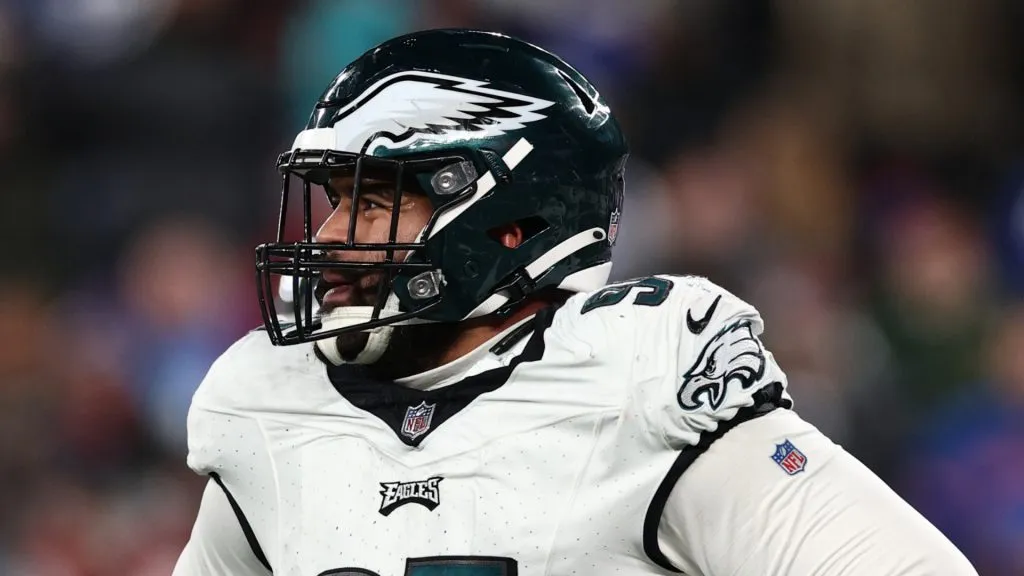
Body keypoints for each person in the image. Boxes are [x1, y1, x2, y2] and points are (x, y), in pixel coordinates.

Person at [173, 29, 977, 576]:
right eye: (333, 200)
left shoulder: (637, 383)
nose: (337, 234)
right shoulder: (271, 412)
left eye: (377, 202)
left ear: (511, 223)